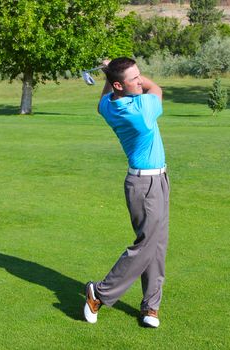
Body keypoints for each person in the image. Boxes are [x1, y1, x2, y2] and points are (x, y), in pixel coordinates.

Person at [84, 57, 170, 328]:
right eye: (134, 78)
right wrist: (130, 78)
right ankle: (100, 293)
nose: (140, 80)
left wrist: (111, 73)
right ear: (119, 85)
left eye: (139, 75)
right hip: (145, 187)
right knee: (145, 246)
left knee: (157, 246)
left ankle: (150, 306)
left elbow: (103, 101)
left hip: (156, 180)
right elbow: (157, 89)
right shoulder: (141, 111)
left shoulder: (110, 106)